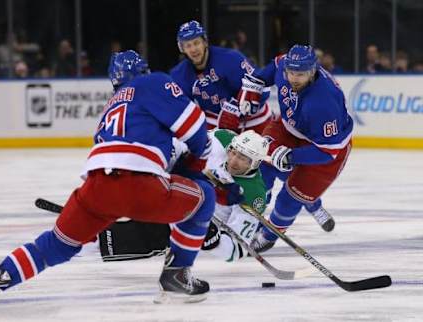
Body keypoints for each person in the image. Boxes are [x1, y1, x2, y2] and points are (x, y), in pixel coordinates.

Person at [0, 50, 217, 313]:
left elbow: (124, 160)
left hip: (95, 189)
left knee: (54, 246)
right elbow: (195, 129)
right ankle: (176, 276)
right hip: (139, 185)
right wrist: (199, 162)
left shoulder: (110, 107)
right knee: (205, 198)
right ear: (143, 71)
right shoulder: (152, 82)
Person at [99, 129, 269, 263]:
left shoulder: (254, 194)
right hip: (180, 191)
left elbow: (236, 251)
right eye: (233, 153)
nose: (233, 161)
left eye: (243, 159)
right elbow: (183, 146)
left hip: (194, 222)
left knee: (136, 236)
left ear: (255, 163)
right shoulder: (221, 139)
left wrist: (214, 239)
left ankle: (95, 239)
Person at [249, 45, 353, 253]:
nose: (294, 78)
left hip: (325, 149)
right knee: (260, 163)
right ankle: (251, 218)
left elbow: (327, 152)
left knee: (292, 196)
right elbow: (273, 68)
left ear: (313, 71)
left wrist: (291, 156)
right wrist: (254, 83)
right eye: (291, 73)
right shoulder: (285, 67)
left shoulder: (324, 103)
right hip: (289, 128)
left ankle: (270, 235)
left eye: (301, 74)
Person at [170, 20, 273, 134]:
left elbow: (261, 86)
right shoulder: (178, 75)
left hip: (254, 120)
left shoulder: (231, 59)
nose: (193, 49)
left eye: (196, 43)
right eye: (188, 45)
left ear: (205, 42)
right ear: (182, 49)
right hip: (216, 122)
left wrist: (237, 108)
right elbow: (180, 110)